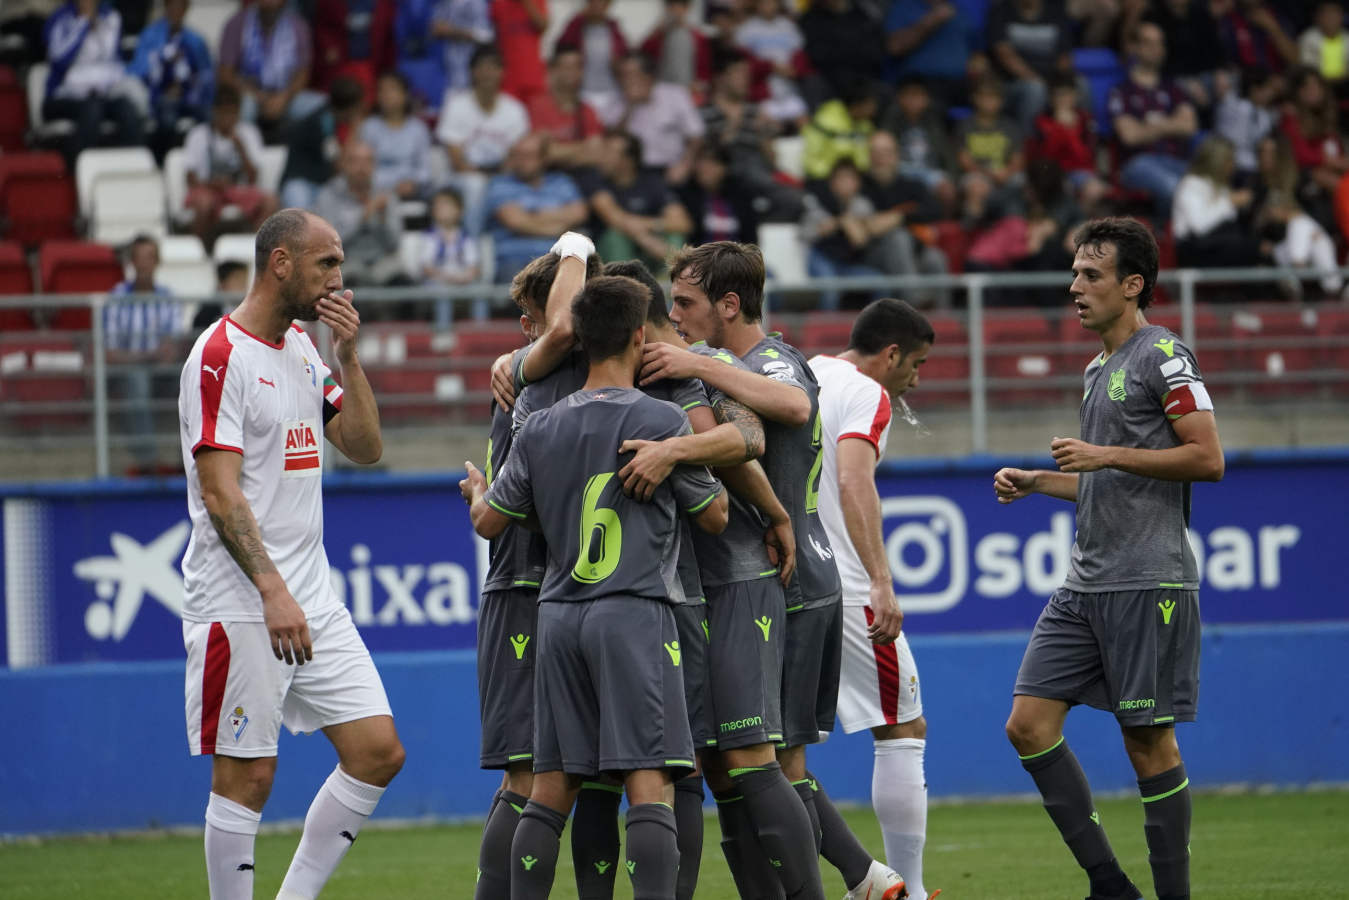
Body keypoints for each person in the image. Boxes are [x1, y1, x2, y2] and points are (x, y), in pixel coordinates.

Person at [637, 240, 904, 900]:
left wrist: (691, 362)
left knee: (763, 760)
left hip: (781, 579)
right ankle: (862, 876)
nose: (676, 316)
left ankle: (862, 877)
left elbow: (792, 409)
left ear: (729, 305)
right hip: (773, 574)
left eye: (687, 303)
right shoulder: (728, 364)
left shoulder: (771, 360)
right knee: (738, 762)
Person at [461, 273, 730, 900]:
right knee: (647, 781)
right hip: (634, 612)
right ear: (640, 335)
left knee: (551, 785)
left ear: (578, 338)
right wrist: (685, 458)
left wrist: (477, 489)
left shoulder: (540, 426)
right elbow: (714, 517)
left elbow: (490, 521)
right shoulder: (659, 417)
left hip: (557, 616)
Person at [994, 217, 1224, 900]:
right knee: (1027, 726)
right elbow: (1107, 480)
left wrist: (1101, 455)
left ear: (1131, 285)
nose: (1074, 286)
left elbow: (1206, 459)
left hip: (1147, 578)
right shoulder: (1098, 367)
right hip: (1084, 583)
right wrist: (1041, 482)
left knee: (1146, 745)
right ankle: (1108, 885)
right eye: (1074, 273)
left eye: (1090, 275)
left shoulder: (1164, 356)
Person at [178, 208, 404, 900]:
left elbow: (366, 447)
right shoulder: (219, 356)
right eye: (327, 263)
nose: (340, 277)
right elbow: (220, 495)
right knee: (247, 778)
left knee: (376, 753)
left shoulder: (306, 348)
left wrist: (349, 357)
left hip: (313, 599)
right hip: (243, 602)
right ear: (281, 263)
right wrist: (273, 592)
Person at [469, 236, 603, 900]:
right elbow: (561, 329)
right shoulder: (530, 371)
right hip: (523, 584)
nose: (524, 333)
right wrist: (576, 244)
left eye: (532, 314)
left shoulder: (587, 372)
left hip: (557, 590)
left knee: (581, 774)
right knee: (528, 775)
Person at [810, 299, 936, 900]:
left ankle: (848, 879)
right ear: (890, 355)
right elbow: (853, 480)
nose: (917, 376)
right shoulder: (869, 394)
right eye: (916, 363)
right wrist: (881, 581)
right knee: (903, 727)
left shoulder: (805, 373)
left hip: (789, 581)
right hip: (848, 589)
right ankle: (906, 891)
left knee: (772, 752)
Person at [435, 45, 531, 235]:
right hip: (464, 177)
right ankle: (473, 244)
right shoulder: (457, 105)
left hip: (503, 174)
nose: (487, 73)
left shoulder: (515, 110)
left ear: (502, 72)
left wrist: (497, 175)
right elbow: (456, 160)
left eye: (493, 67)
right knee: (476, 185)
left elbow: (518, 156)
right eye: (482, 67)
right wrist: (485, 175)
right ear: (472, 72)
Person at [109, 235, 183, 476]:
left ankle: (188, 458)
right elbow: (110, 353)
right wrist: (147, 356)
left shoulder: (168, 297)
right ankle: (149, 461)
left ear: (157, 261)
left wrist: (154, 356)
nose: (144, 264)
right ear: (131, 262)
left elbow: (171, 349)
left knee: (191, 377)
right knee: (136, 379)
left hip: (159, 368)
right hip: (128, 369)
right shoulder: (117, 297)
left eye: (149, 257)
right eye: (139, 258)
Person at [1108, 22, 1198, 219]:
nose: (1155, 49)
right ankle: (1167, 239)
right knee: (1176, 189)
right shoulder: (1121, 92)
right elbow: (1130, 136)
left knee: (1206, 188)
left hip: (1176, 161)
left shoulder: (1174, 89)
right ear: (1136, 47)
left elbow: (1190, 127)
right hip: (1137, 163)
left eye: (1159, 43)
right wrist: (1171, 123)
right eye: (1148, 43)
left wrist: (1150, 125)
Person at [42, 0, 148, 166]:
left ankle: (131, 170)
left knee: (128, 111)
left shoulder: (111, 17)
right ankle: (77, 170)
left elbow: (114, 61)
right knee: (93, 110)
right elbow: (58, 59)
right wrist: (83, 23)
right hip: (63, 95)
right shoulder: (60, 18)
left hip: (103, 94)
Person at [583, 131, 693, 274]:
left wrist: (652, 227)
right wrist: (645, 239)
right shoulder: (595, 180)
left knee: (675, 235)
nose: (603, 158)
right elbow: (615, 218)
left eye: (610, 152)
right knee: (616, 237)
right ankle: (621, 289)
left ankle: (675, 287)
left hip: (649, 248)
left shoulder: (652, 182)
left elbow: (684, 223)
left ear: (629, 160)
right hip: (607, 252)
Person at [182, 84, 278, 248]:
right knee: (204, 203)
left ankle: (256, 250)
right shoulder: (198, 135)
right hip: (208, 189)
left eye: (232, 113)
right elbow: (190, 178)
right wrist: (213, 185)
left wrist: (241, 149)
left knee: (270, 202)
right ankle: (199, 251)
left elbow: (253, 178)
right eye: (224, 113)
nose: (228, 118)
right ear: (215, 112)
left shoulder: (248, 133)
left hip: (237, 190)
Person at [484, 133, 587, 282]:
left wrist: (533, 215)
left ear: (544, 158)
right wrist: (559, 229)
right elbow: (516, 222)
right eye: (517, 155)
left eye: (528, 156)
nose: (521, 161)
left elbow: (580, 213)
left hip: (558, 259)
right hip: (515, 260)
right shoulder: (500, 184)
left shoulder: (561, 182)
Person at [217, 0, 323, 138]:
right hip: (249, 94)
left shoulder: (298, 26)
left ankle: (304, 154)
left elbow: (303, 73)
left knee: (321, 108)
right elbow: (225, 74)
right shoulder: (237, 24)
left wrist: (283, 97)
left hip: (285, 95)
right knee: (245, 108)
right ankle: (246, 152)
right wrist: (259, 96)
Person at [127, 0, 215, 159]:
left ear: (186, 9)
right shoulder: (150, 36)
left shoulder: (195, 40)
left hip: (189, 97)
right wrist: (163, 61)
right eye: (171, 5)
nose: (175, 10)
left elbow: (206, 74)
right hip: (160, 97)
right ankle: (162, 162)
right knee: (168, 119)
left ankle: (202, 162)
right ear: (165, 7)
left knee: (208, 116)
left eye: (180, 6)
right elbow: (138, 71)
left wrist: (190, 84)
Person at [313, 141, 405, 288]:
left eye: (367, 161)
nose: (362, 168)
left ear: (374, 166)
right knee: (354, 284)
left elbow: (394, 244)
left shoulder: (386, 195)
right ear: (344, 165)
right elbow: (328, 245)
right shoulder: (329, 195)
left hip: (383, 262)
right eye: (355, 161)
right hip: (346, 263)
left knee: (403, 283)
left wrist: (382, 221)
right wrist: (363, 216)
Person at [1170, 136, 1261, 269]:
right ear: (1217, 161)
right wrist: (1230, 202)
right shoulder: (1191, 184)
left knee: (1256, 243)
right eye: (1230, 160)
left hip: (1216, 244)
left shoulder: (1221, 187)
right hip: (1194, 250)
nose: (1234, 165)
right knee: (1253, 248)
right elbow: (1200, 226)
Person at [526, 46, 605, 170]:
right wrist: (582, 148)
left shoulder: (587, 110)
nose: (572, 72)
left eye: (577, 67)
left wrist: (560, 151)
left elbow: (597, 153)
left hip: (582, 177)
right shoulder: (537, 105)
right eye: (566, 67)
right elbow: (543, 153)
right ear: (553, 70)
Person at [359, 70, 433, 202]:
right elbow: (362, 166)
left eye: (392, 89)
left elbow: (425, 168)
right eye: (382, 90)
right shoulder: (368, 127)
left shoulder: (419, 129)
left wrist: (413, 183)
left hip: (410, 191)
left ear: (405, 94)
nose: (386, 95)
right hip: (374, 190)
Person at [429, 0, 493, 96]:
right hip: (450, 68)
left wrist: (452, 31)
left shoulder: (478, 3)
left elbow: (485, 36)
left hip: (474, 68)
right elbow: (435, 29)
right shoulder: (445, 3)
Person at [420, 187, 481, 287]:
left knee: (477, 293)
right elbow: (426, 267)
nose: (440, 208)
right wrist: (446, 278)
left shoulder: (466, 237)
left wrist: (465, 277)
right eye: (437, 205)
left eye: (446, 204)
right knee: (441, 294)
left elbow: (473, 265)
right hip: (437, 282)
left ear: (459, 210)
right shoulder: (429, 236)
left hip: (462, 281)